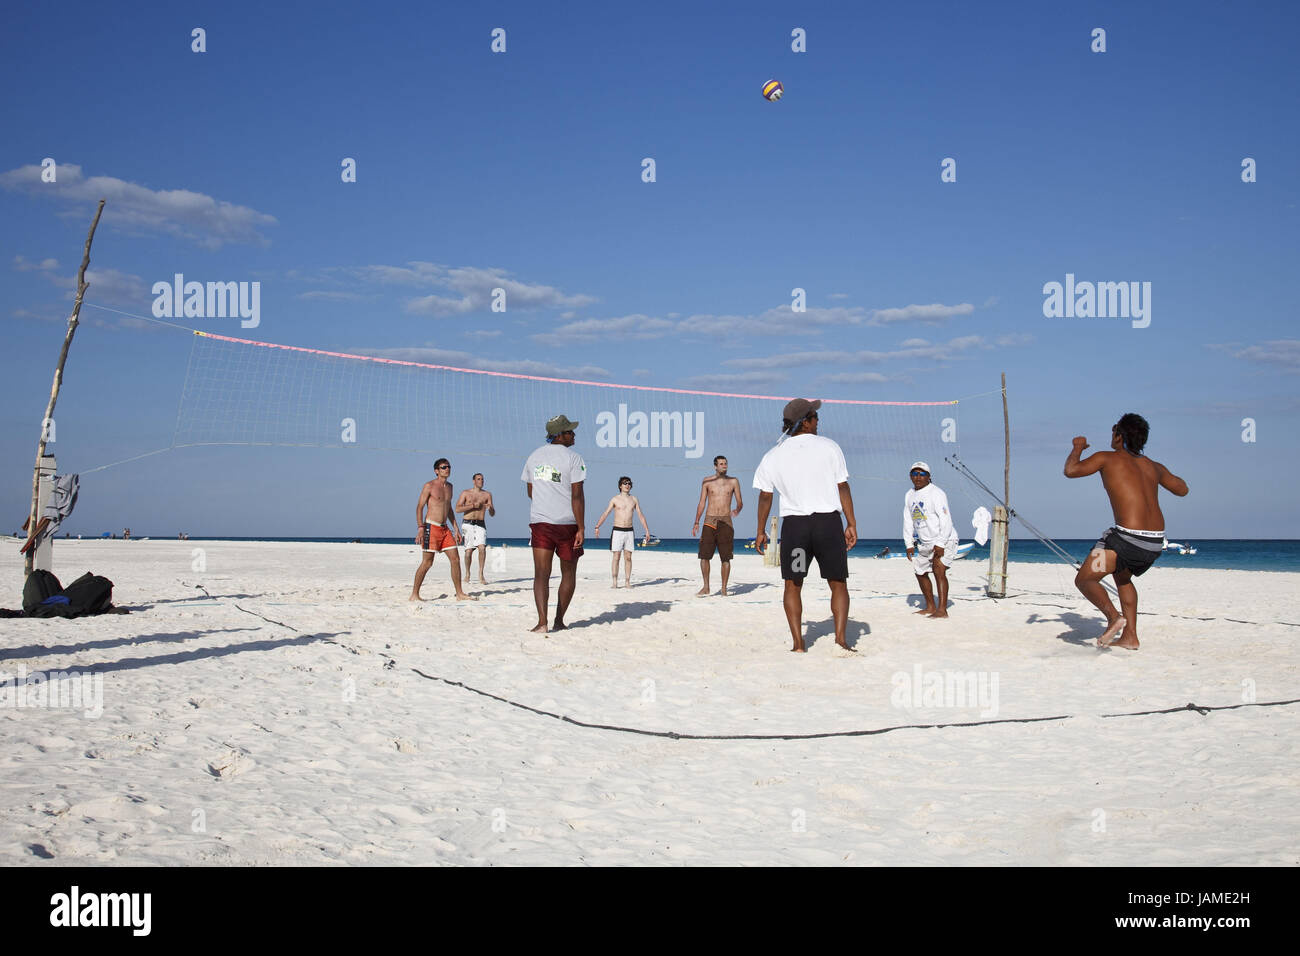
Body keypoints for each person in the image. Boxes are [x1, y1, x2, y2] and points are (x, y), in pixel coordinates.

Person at [1065, 413, 1188, 650]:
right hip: (1153, 544)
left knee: (1085, 579)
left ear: (1120, 436)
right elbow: (1182, 490)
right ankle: (1130, 636)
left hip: (1125, 541)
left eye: (1114, 431)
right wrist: (1162, 475)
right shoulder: (1154, 466)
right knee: (1122, 578)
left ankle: (1113, 618)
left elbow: (1071, 470)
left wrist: (1078, 447)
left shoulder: (1106, 458)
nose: (1111, 435)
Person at [753, 399, 859, 653]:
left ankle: (799, 644)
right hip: (827, 525)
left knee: (793, 583)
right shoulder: (830, 447)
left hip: (796, 528)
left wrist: (760, 530)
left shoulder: (772, 455)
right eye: (815, 416)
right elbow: (842, 487)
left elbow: (766, 496)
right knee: (837, 582)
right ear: (806, 421)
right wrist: (851, 523)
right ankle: (841, 640)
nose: (818, 420)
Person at [521, 415, 587, 633]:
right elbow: (577, 496)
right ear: (559, 435)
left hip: (540, 521)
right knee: (568, 574)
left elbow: (531, 491)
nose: (574, 434)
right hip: (567, 523)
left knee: (541, 573)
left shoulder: (533, 456)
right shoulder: (574, 458)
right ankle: (558, 620)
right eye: (570, 431)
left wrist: (546, 504)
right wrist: (581, 527)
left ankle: (542, 622)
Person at [410, 458, 476, 602]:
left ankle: (459, 593)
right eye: (443, 467)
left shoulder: (450, 487)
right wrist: (420, 527)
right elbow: (419, 507)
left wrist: (456, 528)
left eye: (448, 467)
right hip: (430, 527)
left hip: (445, 528)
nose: (447, 469)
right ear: (436, 471)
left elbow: (449, 508)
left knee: (455, 559)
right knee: (427, 562)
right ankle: (414, 594)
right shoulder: (429, 486)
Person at [903, 461, 957, 619]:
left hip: (944, 538)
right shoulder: (909, 494)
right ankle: (930, 606)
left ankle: (942, 610)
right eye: (914, 474)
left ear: (928, 476)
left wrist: (940, 543)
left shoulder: (937, 493)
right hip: (925, 542)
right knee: (919, 571)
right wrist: (908, 543)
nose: (918, 477)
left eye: (922, 474)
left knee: (938, 570)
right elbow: (907, 520)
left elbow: (946, 520)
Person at [692, 455, 743, 596]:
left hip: (726, 521)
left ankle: (724, 589)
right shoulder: (707, 481)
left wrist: (737, 509)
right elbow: (702, 502)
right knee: (704, 556)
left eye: (725, 463)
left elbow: (740, 502)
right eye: (721, 464)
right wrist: (696, 521)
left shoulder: (733, 481)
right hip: (709, 520)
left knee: (725, 557)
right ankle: (706, 587)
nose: (724, 466)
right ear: (715, 466)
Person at [593, 477, 652, 587]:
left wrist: (647, 531)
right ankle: (615, 582)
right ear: (620, 486)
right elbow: (606, 513)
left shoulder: (634, 499)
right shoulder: (615, 499)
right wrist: (597, 526)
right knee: (616, 556)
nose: (627, 485)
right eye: (625, 483)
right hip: (617, 530)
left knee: (628, 557)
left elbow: (640, 515)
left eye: (629, 483)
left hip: (629, 530)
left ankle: (627, 582)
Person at [455, 472, 496, 586]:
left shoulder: (487, 495)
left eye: (482, 479)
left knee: (482, 548)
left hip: (480, 523)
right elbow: (457, 509)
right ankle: (467, 573)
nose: (481, 481)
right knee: (468, 552)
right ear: (473, 481)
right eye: (478, 479)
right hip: (467, 523)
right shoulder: (466, 493)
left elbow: (492, 514)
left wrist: (490, 508)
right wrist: (473, 506)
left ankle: (481, 574)